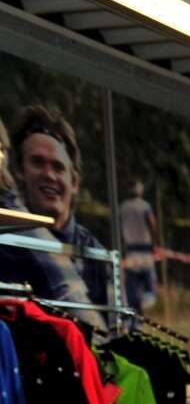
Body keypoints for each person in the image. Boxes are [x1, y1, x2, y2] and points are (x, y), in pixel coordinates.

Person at [8, 105, 110, 306]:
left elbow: (121, 323)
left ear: (75, 182)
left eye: (58, 167)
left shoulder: (98, 258)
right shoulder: (6, 245)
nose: (49, 175)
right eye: (37, 162)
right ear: (19, 171)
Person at [118, 179, 159, 312]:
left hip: (130, 251)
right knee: (150, 288)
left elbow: (119, 228)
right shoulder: (145, 206)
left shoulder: (123, 207)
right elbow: (152, 225)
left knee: (132, 289)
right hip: (145, 251)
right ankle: (144, 305)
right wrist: (155, 243)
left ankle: (135, 314)